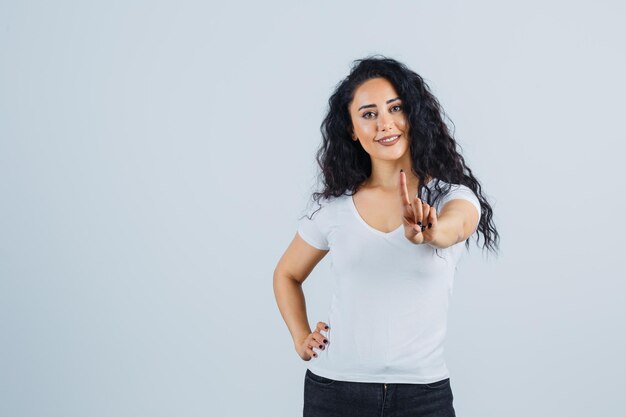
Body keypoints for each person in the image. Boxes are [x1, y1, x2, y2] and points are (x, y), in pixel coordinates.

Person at [273, 55, 500, 417]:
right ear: (351, 129)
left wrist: (430, 231)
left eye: (396, 108)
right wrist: (301, 337)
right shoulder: (333, 210)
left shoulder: (450, 197)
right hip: (335, 392)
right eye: (368, 113)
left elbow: (456, 227)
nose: (385, 123)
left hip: (423, 396)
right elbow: (286, 274)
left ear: (414, 116)